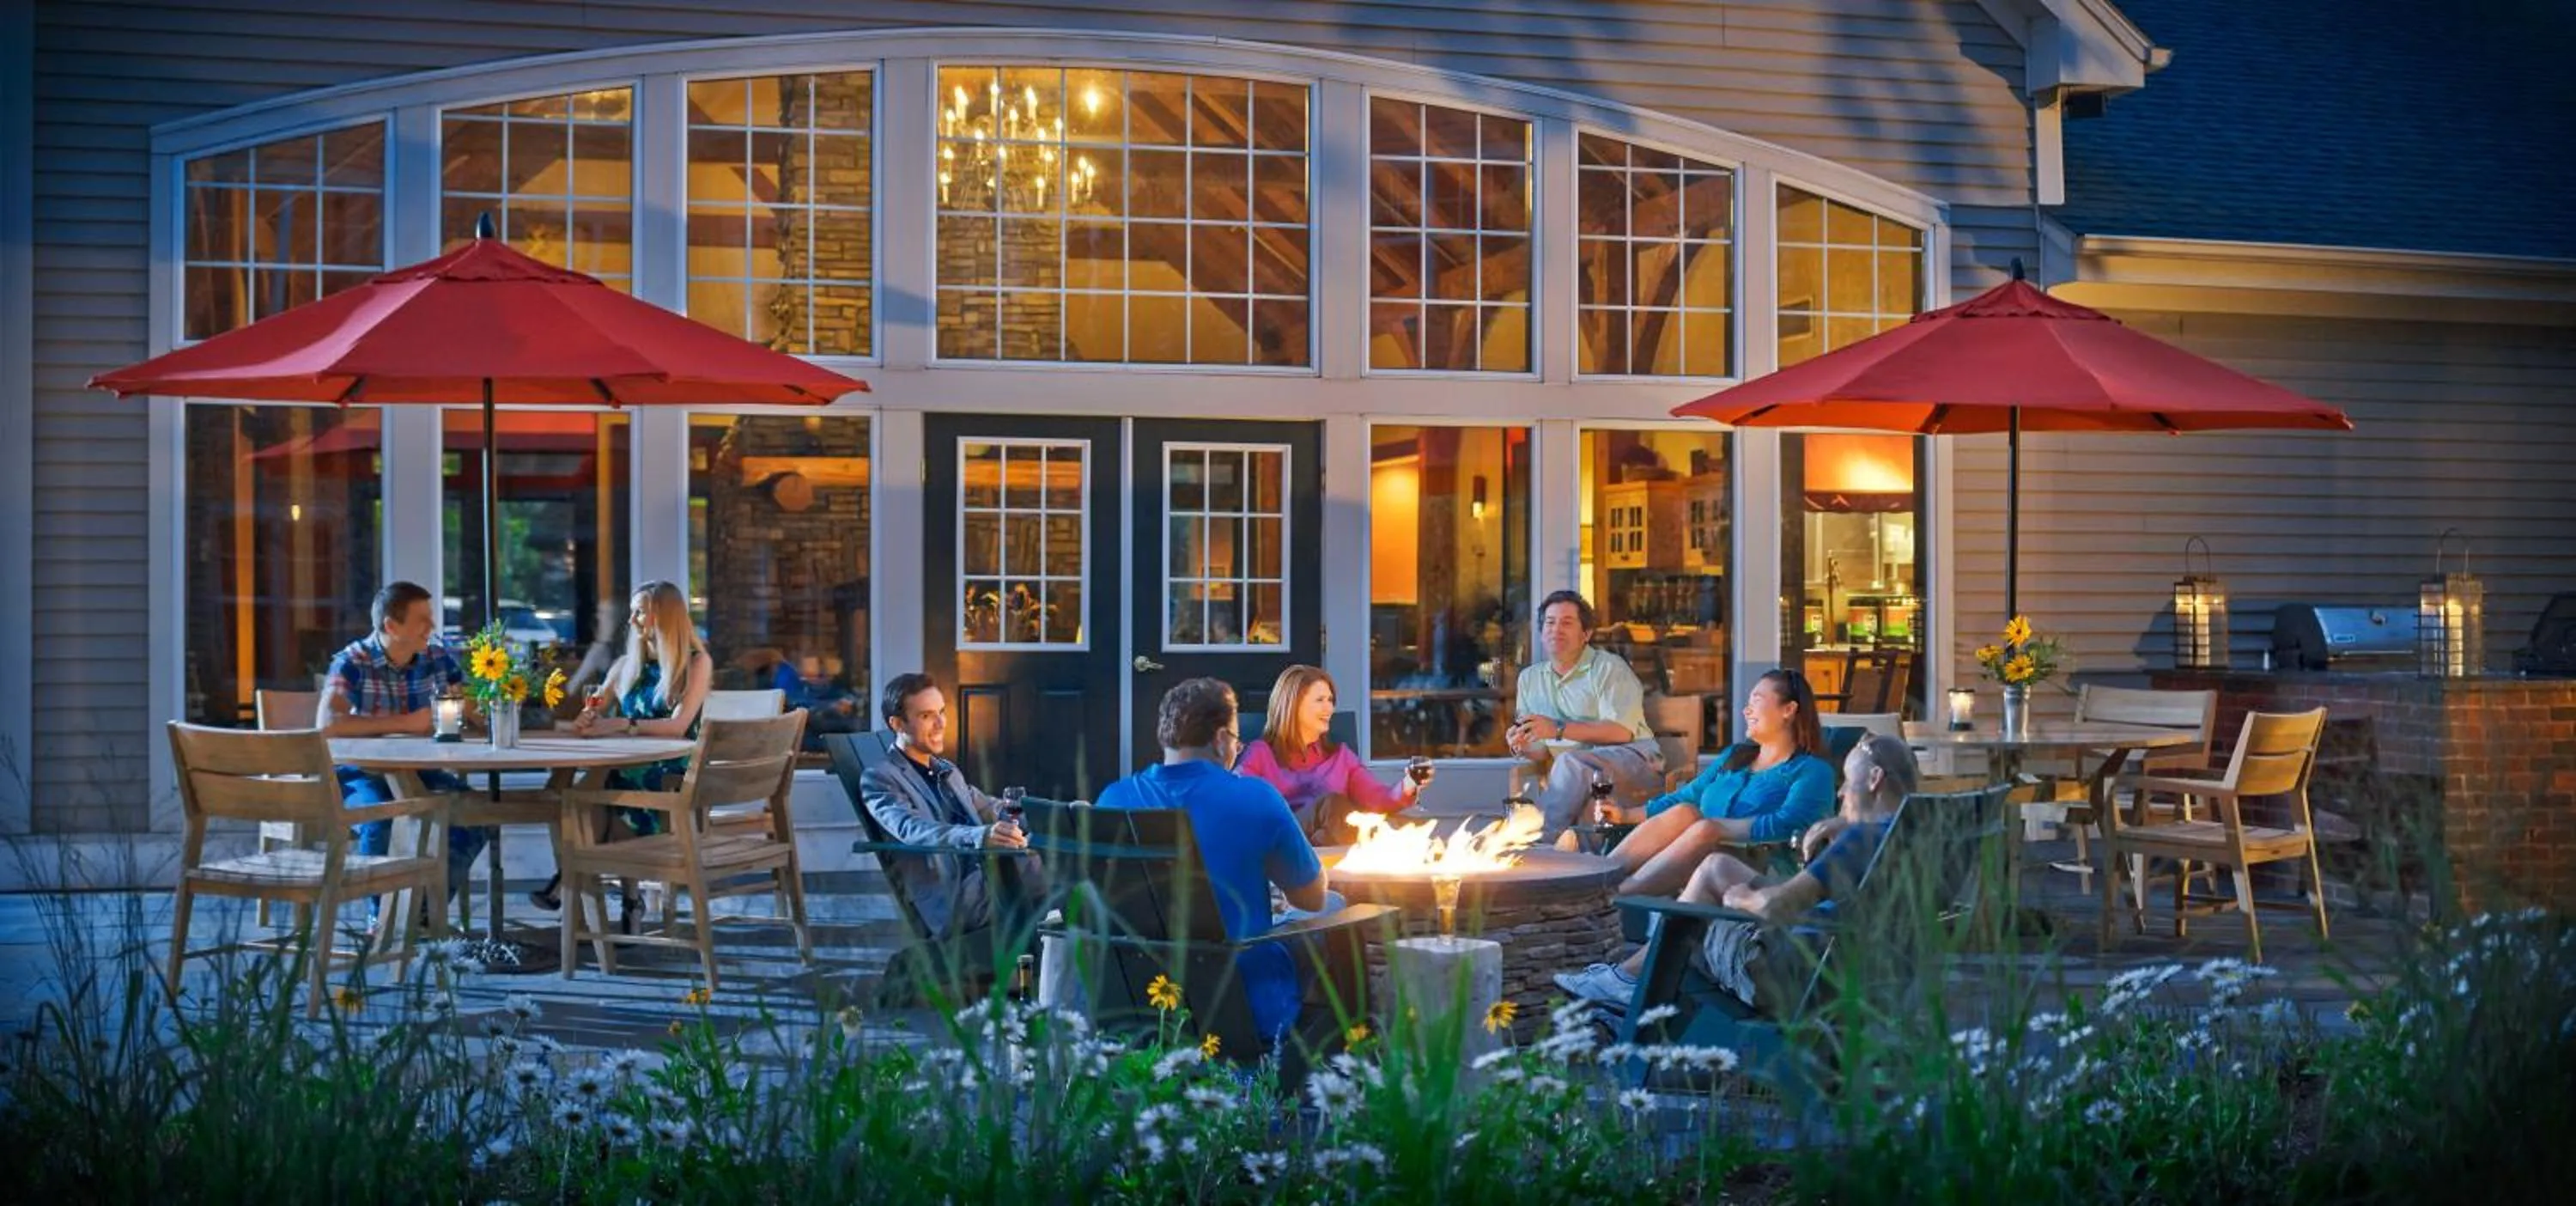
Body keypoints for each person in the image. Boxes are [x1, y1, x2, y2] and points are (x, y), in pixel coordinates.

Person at [1552, 733, 1922, 1011]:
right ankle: (1627, 976)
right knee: (1716, 865)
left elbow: (1777, 907)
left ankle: (1631, 983)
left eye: (1848, 781)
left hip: (1789, 973)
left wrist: (1741, 898)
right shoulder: (1911, 835)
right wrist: (1843, 824)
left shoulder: (1860, 839)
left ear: (1874, 779)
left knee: (1692, 915)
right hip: (1858, 966)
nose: (1841, 793)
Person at [1097, 677, 1333, 1046]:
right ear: (1222, 739)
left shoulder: (1113, 799)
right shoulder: (1255, 798)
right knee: (1337, 909)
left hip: (1139, 999)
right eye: (1237, 740)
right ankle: (1341, 1053)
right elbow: (1312, 898)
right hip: (1238, 1001)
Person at [529, 581, 714, 921]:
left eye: (639, 612)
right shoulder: (624, 666)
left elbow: (677, 726)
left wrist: (622, 725)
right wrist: (588, 716)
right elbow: (596, 703)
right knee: (579, 791)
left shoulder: (695, 663)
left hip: (670, 772)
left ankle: (571, 882)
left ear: (665, 615)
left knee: (585, 794)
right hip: (623, 764)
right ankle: (625, 902)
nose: (631, 620)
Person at [319, 581, 488, 918]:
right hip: (360, 774)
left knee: (476, 816)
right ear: (391, 626)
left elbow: (471, 706)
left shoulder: (436, 657)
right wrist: (406, 723)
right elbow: (326, 723)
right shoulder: (353, 661)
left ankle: (423, 914)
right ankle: (381, 919)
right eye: (423, 620)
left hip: (421, 771)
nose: (433, 627)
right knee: (382, 818)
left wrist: (495, 706)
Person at [1601, 669, 1834, 896]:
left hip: (1758, 870)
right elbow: (1686, 796)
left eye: (1757, 701)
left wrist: (1716, 829)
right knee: (1684, 812)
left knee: (1703, 827)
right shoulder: (1735, 756)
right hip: (1692, 855)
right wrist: (1626, 815)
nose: (1746, 710)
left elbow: (1791, 823)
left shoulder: (1812, 771)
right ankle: (1597, 877)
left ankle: (1617, 894)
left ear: (1789, 710)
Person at [855, 672, 1042, 940]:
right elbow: (913, 829)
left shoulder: (945, 770)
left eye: (941, 712)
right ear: (897, 723)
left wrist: (1056, 814)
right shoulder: (880, 778)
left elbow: (989, 806)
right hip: (956, 897)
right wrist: (980, 837)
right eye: (926, 716)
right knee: (1060, 866)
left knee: (1060, 847)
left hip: (991, 878)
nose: (941, 723)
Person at [1507, 591, 1664, 840]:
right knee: (1580, 783)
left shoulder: (1609, 668)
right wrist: (1523, 744)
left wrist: (1557, 728)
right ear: (1541, 631)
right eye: (1550, 622)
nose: (1556, 629)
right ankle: (1579, 867)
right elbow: (1541, 752)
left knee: (1571, 763)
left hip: (1633, 759)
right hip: (1576, 773)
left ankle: (1541, 844)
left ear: (1586, 635)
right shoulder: (1529, 679)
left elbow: (1620, 732)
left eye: (1567, 623)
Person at [1236, 665, 1430, 844]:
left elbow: (1377, 798)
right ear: (1293, 705)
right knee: (1332, 804)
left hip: (1329, 843)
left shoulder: (1341, 757)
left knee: (1406, 824)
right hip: (1283, 839)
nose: (1329, 708)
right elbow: (1239, 799)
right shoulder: (1261, 753)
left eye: (1330, 700)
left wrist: (1409, 784)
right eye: (1320, 700)